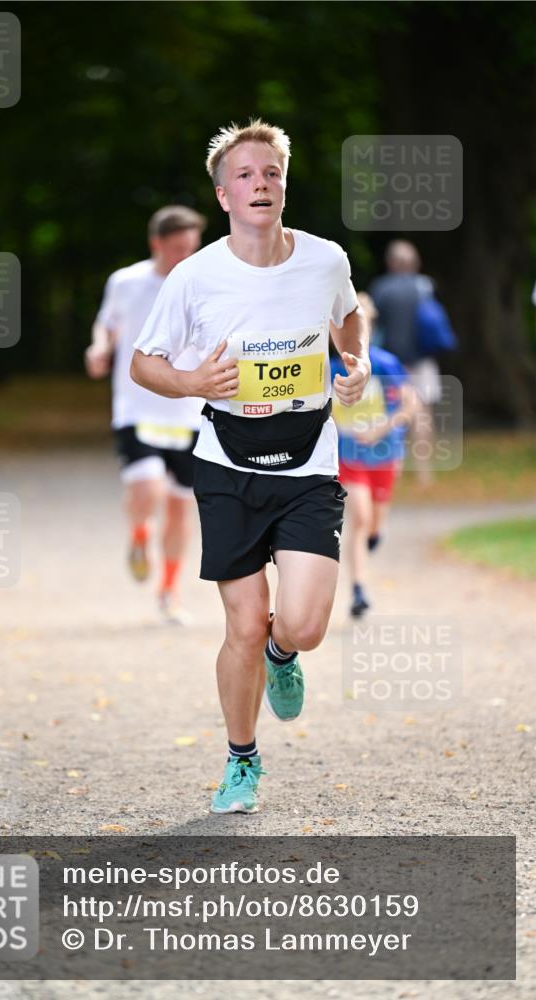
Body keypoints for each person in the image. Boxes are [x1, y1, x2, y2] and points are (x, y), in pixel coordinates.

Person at [131, 120, 370, 813]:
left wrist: (352, 361)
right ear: (223, 195)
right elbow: (143, 362)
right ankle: (241, 761)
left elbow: (348, 318)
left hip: (308, 461)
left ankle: (283, 654)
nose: (259, 183)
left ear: (284, 186)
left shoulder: (324, 260)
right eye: (245, 175)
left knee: (303, 625)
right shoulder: (195, 275)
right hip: (226, 464)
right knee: (242, 624)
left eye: (270, 172)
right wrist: (191, 382)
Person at [85, 206, 206, 623]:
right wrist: (99, 347)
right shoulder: (126, 281)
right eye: (177, 248)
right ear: (156, 243)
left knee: (179, 507)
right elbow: (106, 324)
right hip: (136, 406)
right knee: (148, 488)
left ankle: (169, 592)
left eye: (191, 248)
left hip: (189, 411)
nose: (185, 256)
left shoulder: (205, 285)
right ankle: (139, 534)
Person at [330, 292, 417, 618]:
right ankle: (358, 591)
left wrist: (381, 429)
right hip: (349, 457)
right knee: (360, 518)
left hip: (384, 454)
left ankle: (375, 535)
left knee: (374, 525)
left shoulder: (386, 364)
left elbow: (410, 406)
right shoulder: (329, 368)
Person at [369, 240, 438, 487]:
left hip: (390, 363)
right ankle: (424, 473)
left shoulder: (381, 288)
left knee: (390, 413)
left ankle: (391, 468)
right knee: (423, 415)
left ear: (391, 263)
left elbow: (373, 327)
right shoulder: (425, 286)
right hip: (422, 360)